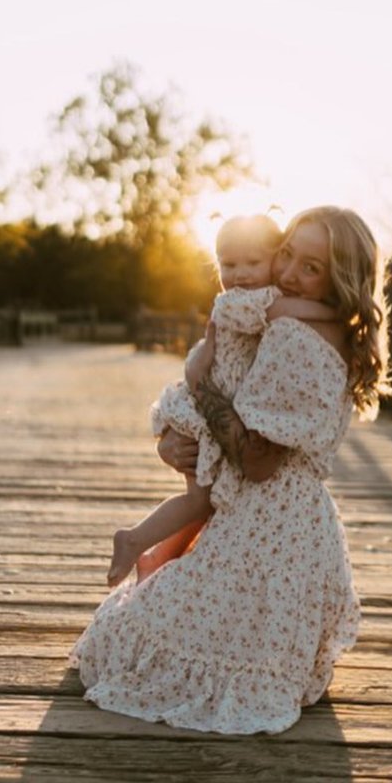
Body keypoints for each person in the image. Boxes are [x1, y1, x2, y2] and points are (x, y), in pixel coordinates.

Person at [70, 206, 391, 735]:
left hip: (269, 526)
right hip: (301, 533)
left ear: (338, 279)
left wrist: (199, 383)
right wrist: (178, 437)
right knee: (145, 623)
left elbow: (258, 463)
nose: (287, 274)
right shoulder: (320, 327)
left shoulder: (293, 336)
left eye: (311, 268)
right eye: (287, 253)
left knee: (123, 641)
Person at [106, 213, 337, 587]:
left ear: (273, 259)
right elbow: (284, 310)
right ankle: (136, 541)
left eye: (253, 262)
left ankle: (154, 554)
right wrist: (336, 312)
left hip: (210, 407)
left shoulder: (257, 299)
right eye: (229, 264)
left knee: (205, 502)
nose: (241, 273)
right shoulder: (239, 303)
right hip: (201, 410)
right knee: (201, 501)